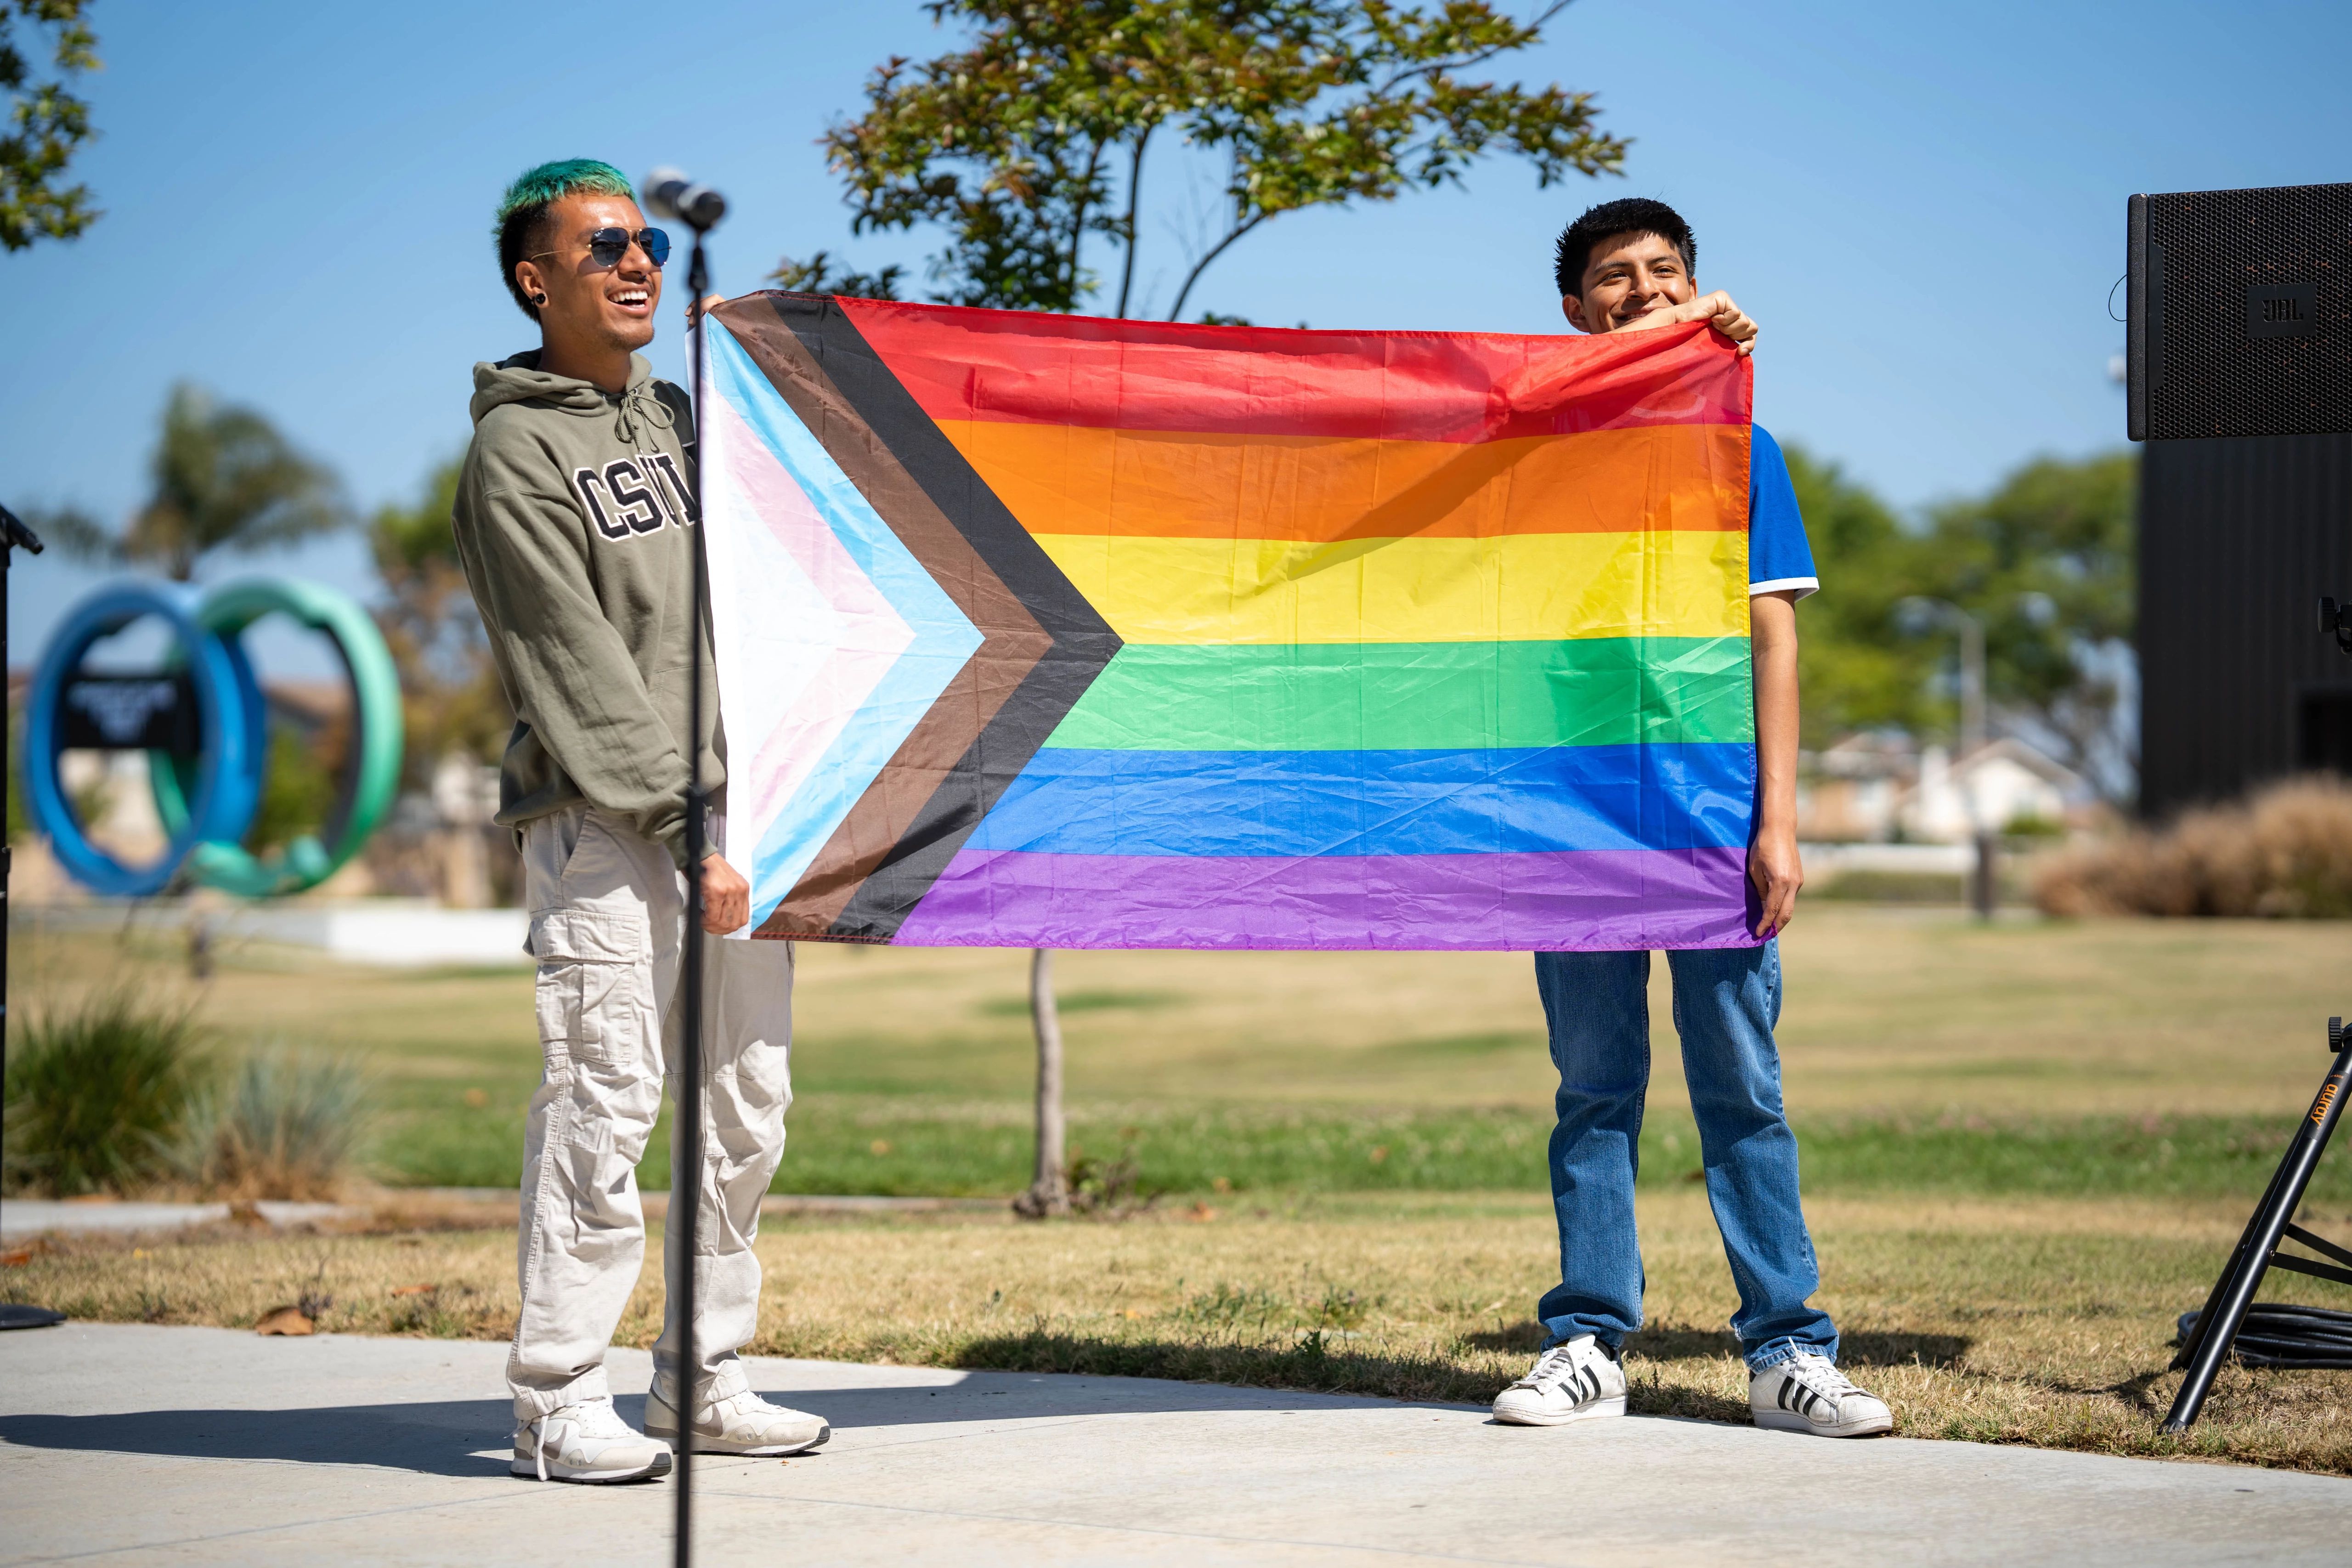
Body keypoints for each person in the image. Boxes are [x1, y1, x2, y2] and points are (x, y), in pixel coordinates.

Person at [1489, 197, 1893, 1438]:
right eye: (1617, 277)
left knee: (1743, 1090)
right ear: (1576, 309)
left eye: (1669, 272)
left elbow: (1773, 637)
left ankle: (1786, 1353)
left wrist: (1777, 823)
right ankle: (1589, 1343)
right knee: (1594, 1092)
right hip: (1576, 820)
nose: (1645, 289)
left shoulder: (1742, 449)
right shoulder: (1534, 448)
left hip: (1714, 819)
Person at [452, 158, 828, 1483]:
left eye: (651, 241)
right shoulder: (517, 452)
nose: (637, 264)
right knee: (607, 1103)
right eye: (605, 242)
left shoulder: (677, 417)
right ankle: (558, 1395)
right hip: (612, 828)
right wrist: (687, 829)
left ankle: (702, 1378)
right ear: (534, 278)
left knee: (746, 1105)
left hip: (739, 813)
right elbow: (580, 672)